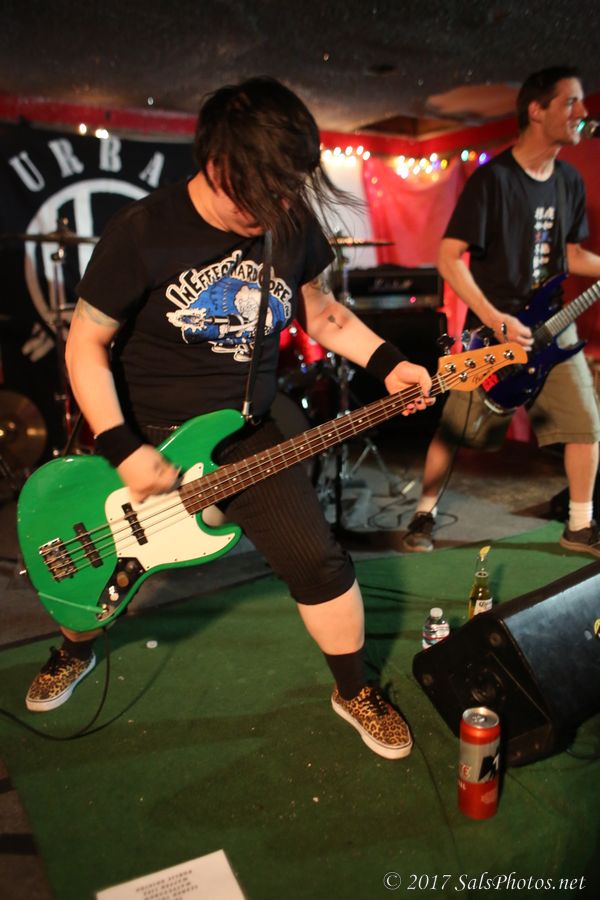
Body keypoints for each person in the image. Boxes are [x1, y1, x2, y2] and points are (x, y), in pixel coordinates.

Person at [24, 76, 434, 761]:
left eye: (289, 190)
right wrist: (122, 445)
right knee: (92, 564)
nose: (280, 207)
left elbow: (322, 313)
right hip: (145, 433)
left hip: (243, 432)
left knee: (318, 560)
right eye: (264, 191)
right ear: (217, 165)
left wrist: (388, 361)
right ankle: (74, 649)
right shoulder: (141, 233)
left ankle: (354, 689)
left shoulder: (289, 221)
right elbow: (85, 344)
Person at [402, 65, 600, 555]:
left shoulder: (569, 181)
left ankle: (579, 525)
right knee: (454, 429)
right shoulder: (493, 179)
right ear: (536, 110)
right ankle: (424, 515)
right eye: (570, 101)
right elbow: (448, 258)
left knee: (586, 425)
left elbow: (571, 256)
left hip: (553, 324)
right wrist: (495, 319)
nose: (583, 111)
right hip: (494, 328)